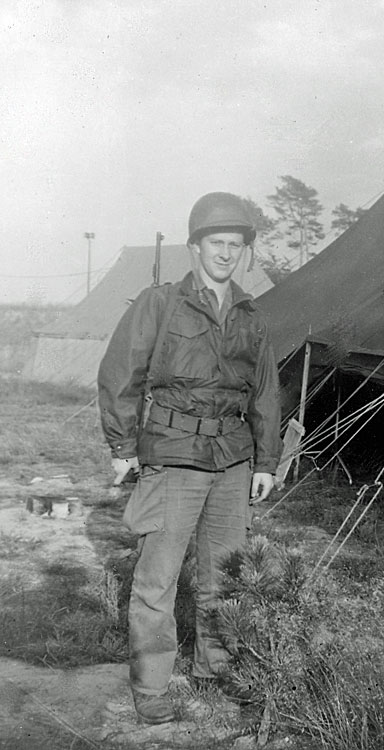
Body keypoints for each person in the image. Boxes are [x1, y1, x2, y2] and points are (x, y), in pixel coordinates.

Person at [97, 192, 282, 724]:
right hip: (173, 456)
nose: (226, 253)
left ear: (246, 252)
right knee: (158, 579)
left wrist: (266, 461)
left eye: (236, 245)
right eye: (216, 242)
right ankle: (152, 685)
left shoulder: (251, 316)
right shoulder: (159, 303)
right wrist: (121, 447)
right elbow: (119, 375)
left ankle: (216, 669)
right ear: (195, 246)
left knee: (224, 573)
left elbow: (266, 392)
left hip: (232, 462)